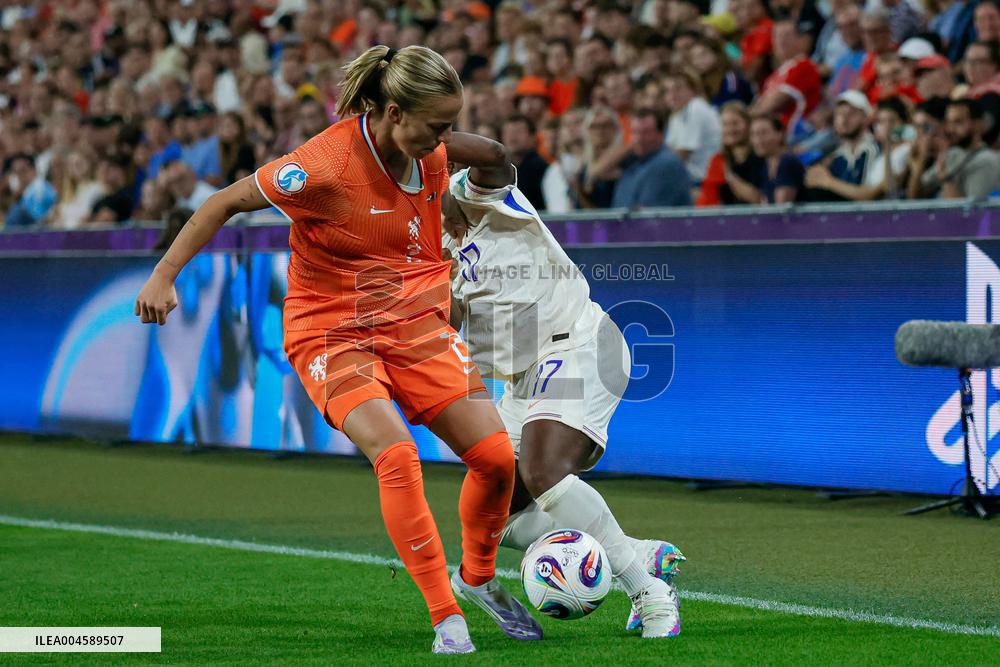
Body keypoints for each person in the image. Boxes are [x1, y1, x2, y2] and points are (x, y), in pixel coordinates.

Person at [134, 45, 542, 655]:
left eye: (452, 124)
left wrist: (473, 190)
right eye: (438, 125)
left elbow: (488, 157)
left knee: (495, 459)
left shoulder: (426, 146)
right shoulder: (321, 166)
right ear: (395, 113)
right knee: (398, 455)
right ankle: (445, 619)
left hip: (413, 326)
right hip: (332, 331)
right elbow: (222, 203)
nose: (445, 138)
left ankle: (477, 577)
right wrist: (163, 276)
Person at [441, 166, 684, 640]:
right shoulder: (426, 244)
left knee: (544, 470)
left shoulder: (475, 193)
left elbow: (493, 154)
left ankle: (648, 592)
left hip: (577, 344)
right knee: (500, 516)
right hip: (523, 375)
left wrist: (429, 139)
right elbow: (449, 319)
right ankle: (638, 552)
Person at [604, 108, 692, 209]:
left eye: (646, 132)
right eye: (634, 132)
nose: (638, 138)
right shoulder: (633, 160)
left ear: (660, 135)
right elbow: (595, 174)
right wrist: (626, 149)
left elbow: (647, 215)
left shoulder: (666, 164)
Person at [918, 97, 1000, 198]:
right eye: (949, 122)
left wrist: (945, 180)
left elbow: (971, 212)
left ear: (978, 124)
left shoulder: (986, 161)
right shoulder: (952, 154)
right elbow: (916, 194)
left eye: (958, 122)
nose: (950, 129)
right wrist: (920, 160)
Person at [697, 101, 766, 205]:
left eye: (735, 123)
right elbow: (707, 202)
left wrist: (729, 176)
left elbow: (759, 200)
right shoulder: (718, 160)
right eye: (725, 124)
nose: (730, 129)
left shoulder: (762, 157)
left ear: (749, 125)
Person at [664, 67, 722, 184]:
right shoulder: (676, 115)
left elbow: (682, 153)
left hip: (705, 181)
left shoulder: (696, 108)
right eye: (668, 90)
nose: (672, 94)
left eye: (678, 88)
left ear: (693, 89)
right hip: (689, 179)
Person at [734, 113, 805, 203]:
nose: (758, 140)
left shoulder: (787, 162)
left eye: (763, 133)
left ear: (780, 134)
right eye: (753, 134)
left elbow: (781, 210)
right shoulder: (766, 165)